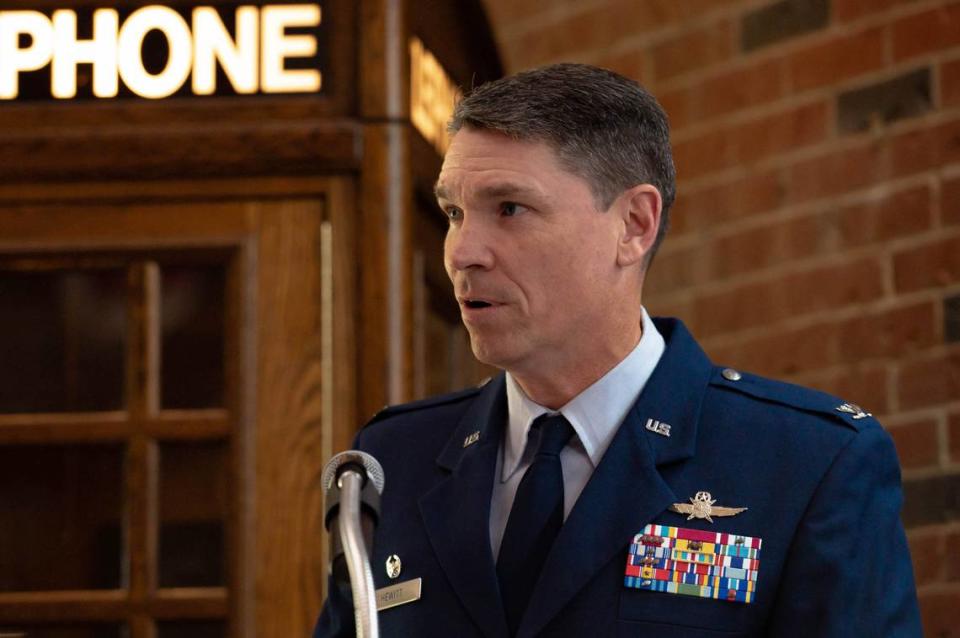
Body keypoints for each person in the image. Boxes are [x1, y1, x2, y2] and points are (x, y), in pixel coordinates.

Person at [314, 63, 921, 637]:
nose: (463, 252)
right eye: (453, 212)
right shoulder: (394, 458)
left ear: (633, 224)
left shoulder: (806, 463)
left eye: (509, 209)